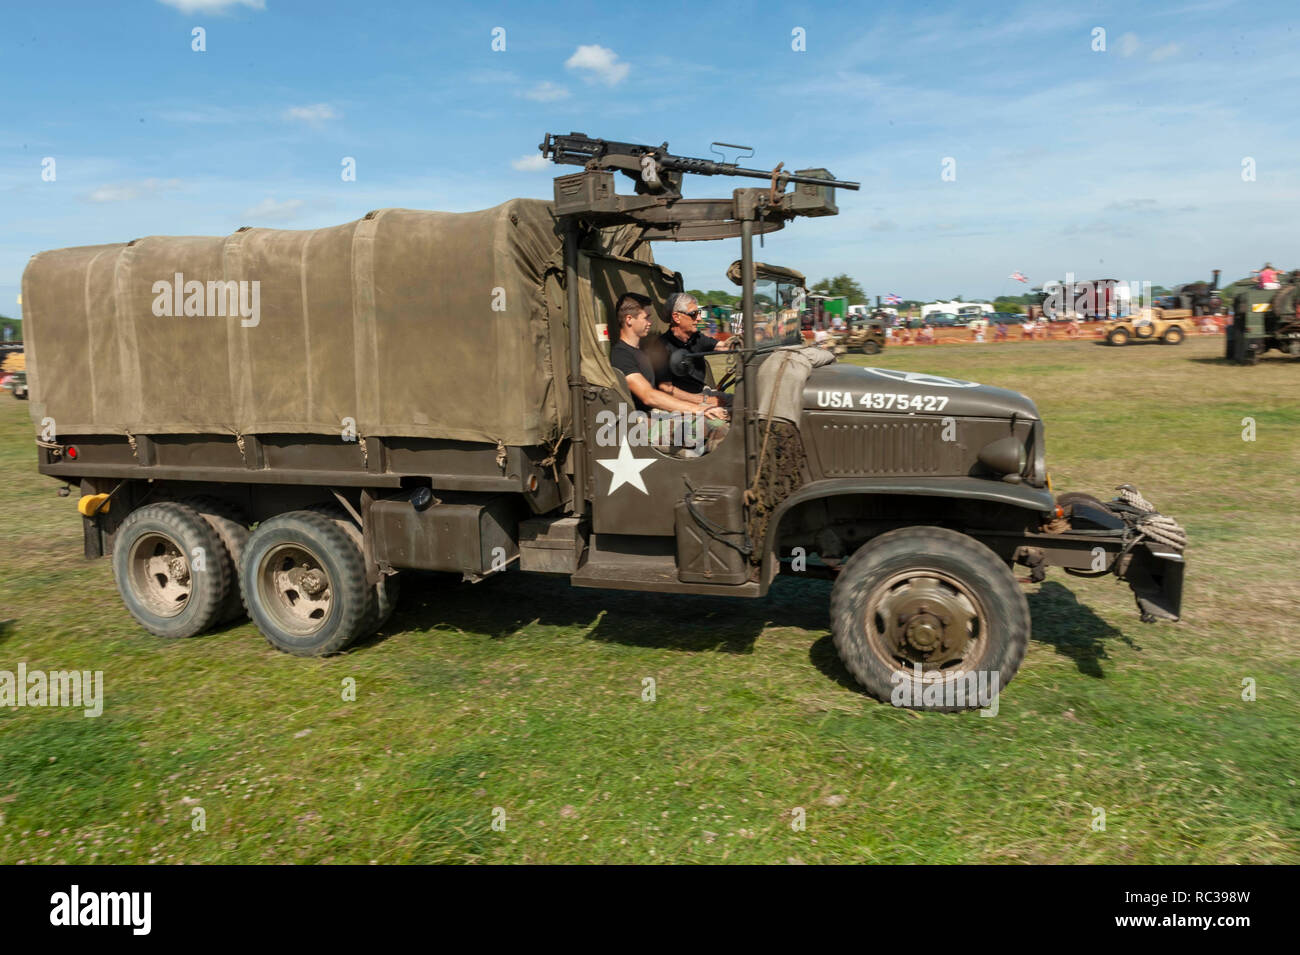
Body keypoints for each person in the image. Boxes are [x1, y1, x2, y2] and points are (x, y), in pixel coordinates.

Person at [608, 292, 727, 452]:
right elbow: (649, 396)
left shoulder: (641, 351)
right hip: (641, 424)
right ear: (629, 319)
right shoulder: (621, 355)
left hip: (660, 415)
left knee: (726, 417)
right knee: (717, 427)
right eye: (647, 317)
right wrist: (700, 408)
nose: (651, 323)